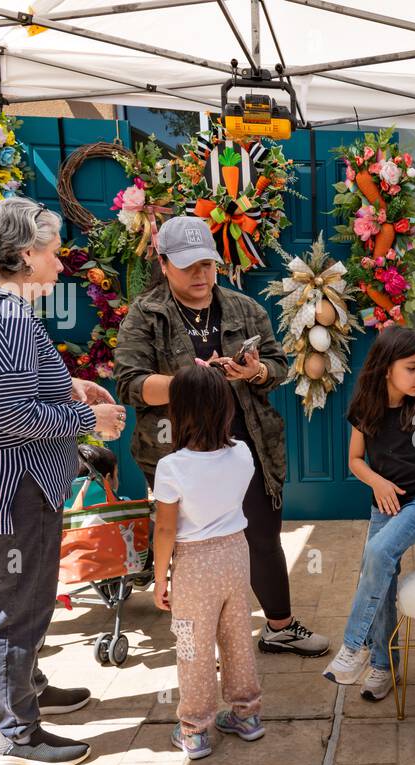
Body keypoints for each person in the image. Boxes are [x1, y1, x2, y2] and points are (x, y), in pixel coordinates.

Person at [0, 198, 128, 765]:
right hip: (11, 489)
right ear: (24, 254)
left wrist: (72, 386)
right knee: (16, 604)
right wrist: (95, 420)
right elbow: (17, 419)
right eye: (52, 251)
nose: (61, 264)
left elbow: (9, 390)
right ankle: (17, 733)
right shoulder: (5, 317)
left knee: (26, 598)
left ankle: (30, 689)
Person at [114, 216, 329, 657]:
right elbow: (130, 384)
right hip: (177, 451)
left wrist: (257, 371)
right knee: (188, 545)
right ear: (164, 262)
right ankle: (193, 637)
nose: (201, 275)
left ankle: (279, 627)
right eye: (189, 266)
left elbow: (278, 366)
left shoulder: (243, 307)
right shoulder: (146, 315)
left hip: (246, 445)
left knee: (263, 536)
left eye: (208, 265)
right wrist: (190, 381)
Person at [323, 327, 415, 701]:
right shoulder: (365, 407)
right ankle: (384, 666)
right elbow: (355, 460)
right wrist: (378, 482)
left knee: (375, 555)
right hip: (384, 504)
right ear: (387, 368)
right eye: (412, 367)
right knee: (382, 579)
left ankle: (353, 647)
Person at [151, 364, 265, 759]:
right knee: (237, 637)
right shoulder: (243, 453)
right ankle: (247, 715)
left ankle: (195, 729)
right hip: (236, 553)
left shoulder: (171, 468)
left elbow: (165, 531)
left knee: (190, 645)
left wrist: (160, 579)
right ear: (225, 408)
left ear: (178, 411)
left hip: (194, 564)